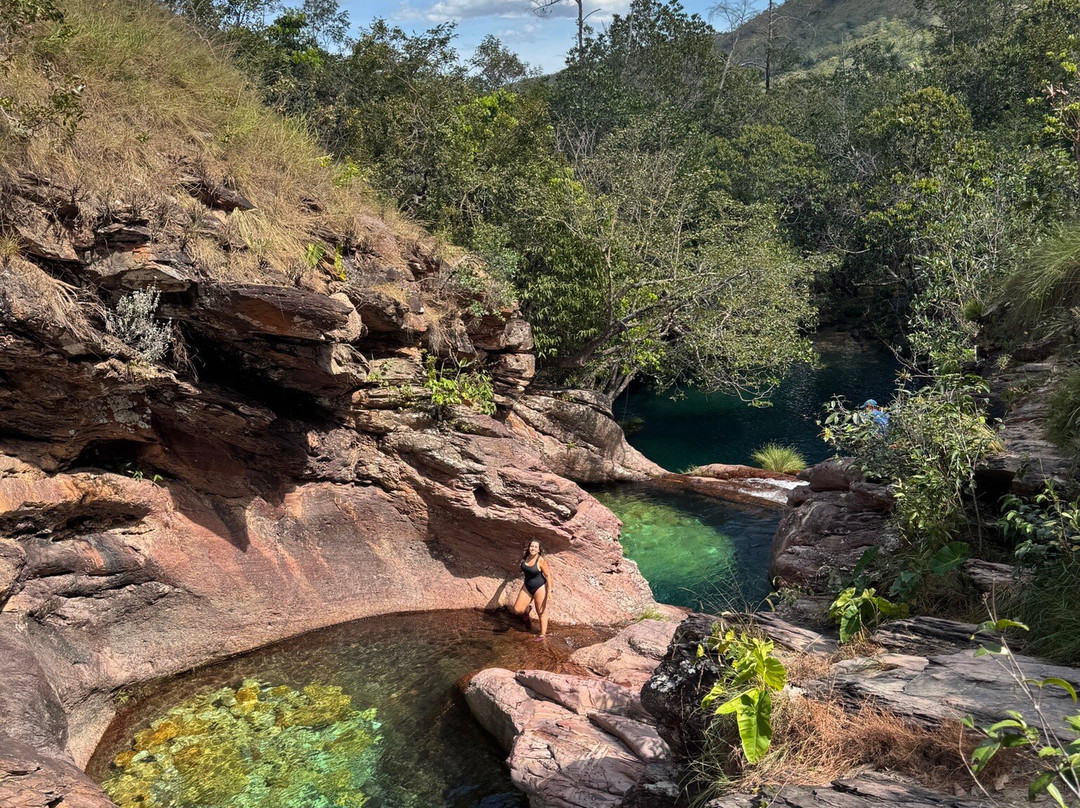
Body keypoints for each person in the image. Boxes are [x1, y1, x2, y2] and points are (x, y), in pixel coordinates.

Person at [509, 539, 552, 640]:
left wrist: (549, 590)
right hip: (527, 586)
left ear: (539, 550)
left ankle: (542, 634)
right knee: (517, 609)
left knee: (541, 611)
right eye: (531, 546)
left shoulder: (541, 560)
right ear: (529, 547)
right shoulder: (526, 557)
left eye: (536, 547)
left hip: (540, 587)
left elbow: (548, 575)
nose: (533, 548)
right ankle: (527, 610)